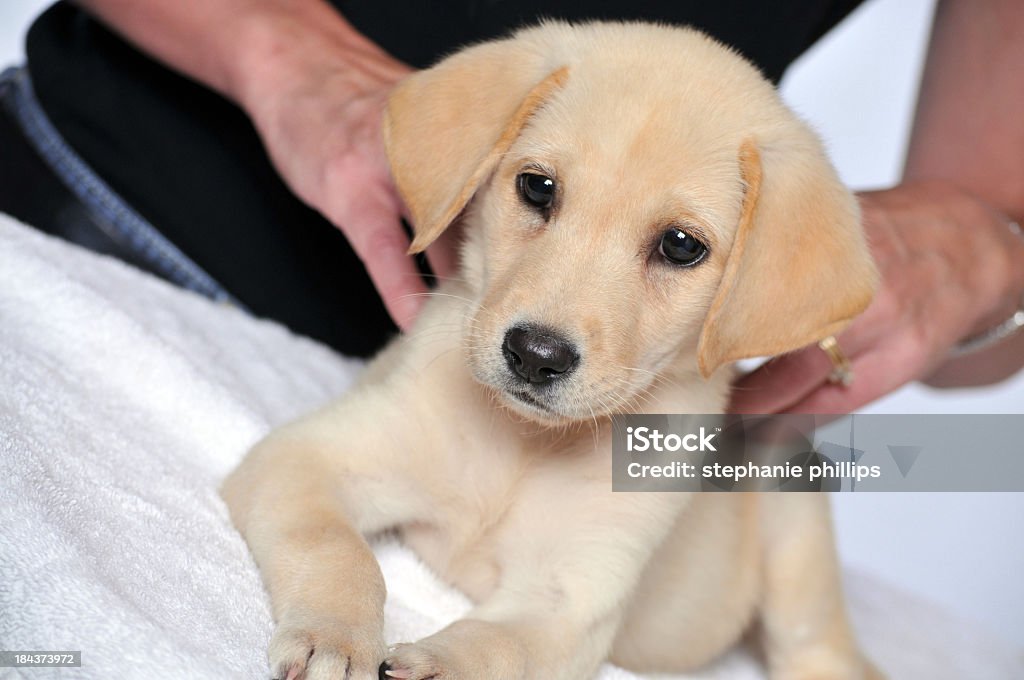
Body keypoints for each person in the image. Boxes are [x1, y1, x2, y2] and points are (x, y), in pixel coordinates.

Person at [2, 0, 1022, 413]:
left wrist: (987, 255)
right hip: (114, 238)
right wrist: (290, 57)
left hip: (560, 441)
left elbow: (975, 371)